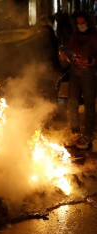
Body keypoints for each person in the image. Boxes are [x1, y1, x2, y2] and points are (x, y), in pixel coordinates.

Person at [59, 10, 97, 150]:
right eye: (78, 23)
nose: (80, 25)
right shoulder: (74, 36)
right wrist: (66, 56)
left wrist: (89, 60)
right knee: (72, 102)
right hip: (75, 73)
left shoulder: (94, 37)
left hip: (88, 74)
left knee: (89, 104)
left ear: (88, 23)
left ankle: (87, 135)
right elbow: (70, 51)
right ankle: (75, 132)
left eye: (83, 23)